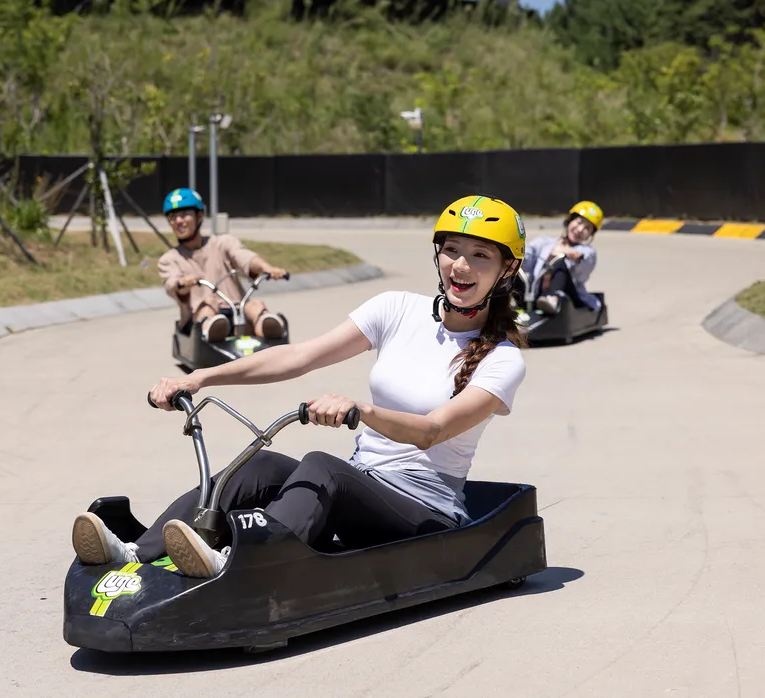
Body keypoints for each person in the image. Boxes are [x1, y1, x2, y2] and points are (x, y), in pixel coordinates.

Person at [71, 194, 530, 579]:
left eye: (480, 255)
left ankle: (237, 567)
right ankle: (136, 553)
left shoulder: (501, 358)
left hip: (423, 510)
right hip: (363, 485)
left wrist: (361, 410)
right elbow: (298, 356)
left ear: (506, 270)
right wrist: (199, 376)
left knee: (322, 467)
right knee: (260, 464)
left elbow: (433, 429)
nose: (461, 266)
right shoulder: (396, 309)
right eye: (452, 249)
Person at [157, 187, 289, 342]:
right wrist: (182, 284)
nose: (178, 221)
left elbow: (245, 257)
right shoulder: (169, 259)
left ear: (199, 216)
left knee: (254, 306)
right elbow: (172, 283)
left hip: (236, 312)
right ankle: (212, 333)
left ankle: (269, 334)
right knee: (208, 307)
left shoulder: (222, 243)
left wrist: (267, 268)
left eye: (184, 215)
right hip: (197, 319)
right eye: (173, 217)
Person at [522, 200, 604, 314]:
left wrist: (570, 254)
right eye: (579, 222)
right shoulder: (545, 242)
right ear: (570, 221)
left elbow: (582, 273)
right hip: (535, 291)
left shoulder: (588, 252)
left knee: (559, 262)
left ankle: (552, 299)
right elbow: (527, 255)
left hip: (568, 295)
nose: (580, 230)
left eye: (587, 228)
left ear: (590, 235)